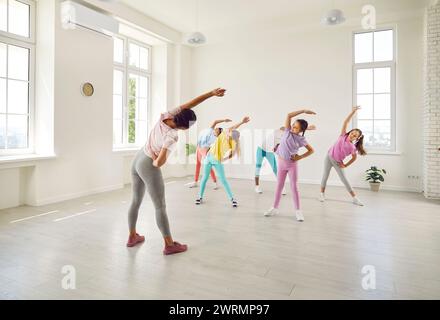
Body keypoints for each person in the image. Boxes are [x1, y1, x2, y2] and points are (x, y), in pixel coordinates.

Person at [127, 88, 226, 255]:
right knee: (160, 206)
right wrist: (157, 160)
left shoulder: (165, 116)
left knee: (136, 200)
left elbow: (190, 104)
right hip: (147, 164)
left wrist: (211, 94)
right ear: (185, 127)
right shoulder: (172, 135)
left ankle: (132, 236)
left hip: (137, 159)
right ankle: (169, 244)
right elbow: (160, 162)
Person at [265, 109, 316, 222]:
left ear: (301, 130)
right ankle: (274, 208)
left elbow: (311, 150)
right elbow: (289, 115)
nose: (292, 128)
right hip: (281, 163)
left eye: (296, 127)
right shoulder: (287, 131)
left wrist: (300, 157)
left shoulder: (301, 139)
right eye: (293, 125)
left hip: (292, 165)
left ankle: (298, 211)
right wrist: (303, 110)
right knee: (279, 186)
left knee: (294, 188)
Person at [195, 117, 251, 208]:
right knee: (204, 178)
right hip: (208, 158)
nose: (229, 132)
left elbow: (232, 154)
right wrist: (242, 122)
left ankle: (233, 199)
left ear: (233, 137)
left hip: (217, 160)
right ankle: (199, 197)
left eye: (231, 133)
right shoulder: (223, 134)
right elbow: (234, 127)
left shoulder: (233, 143)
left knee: (223, 180)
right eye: (230, 132)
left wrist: (223, 159)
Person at [319, 106, 367, 206]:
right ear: (350, 132)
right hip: (328, 157)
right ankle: (322, 194)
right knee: (325, 176)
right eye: (352, 133)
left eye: (355, 135)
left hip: (338, 162)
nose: (352, 135)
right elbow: (346, 122)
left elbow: (354, 158)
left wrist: (345, 165)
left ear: (357, 138)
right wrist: (353, 112)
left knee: (344, 180)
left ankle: (354, 198)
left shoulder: (352, 147)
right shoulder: (343, 135)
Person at [186, 118, 232, 189]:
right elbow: (215, 121)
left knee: (208, 167)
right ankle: (195, 182)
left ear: (218, 133)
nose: (215, 129)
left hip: (205, 151)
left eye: (217, 130)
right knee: (198, 165)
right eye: (216, 129)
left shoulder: (216, 139)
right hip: (199, 148)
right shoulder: (210, 130)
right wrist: (224, 120)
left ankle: (215, 182)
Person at [255, 127, 287, 195]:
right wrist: (306, 128)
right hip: (260, 149)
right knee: (258, 168)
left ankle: (282, 188)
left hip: (269, 152)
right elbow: (284, 127)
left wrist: (276, 149)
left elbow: (277, 147)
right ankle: (257, 187)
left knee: (275, 169)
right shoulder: (277, 131)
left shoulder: (284, 140)